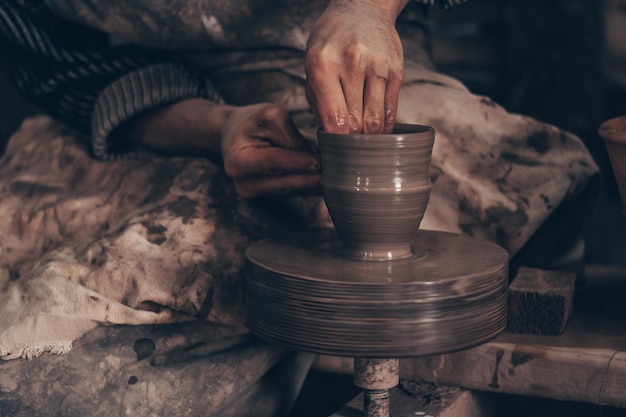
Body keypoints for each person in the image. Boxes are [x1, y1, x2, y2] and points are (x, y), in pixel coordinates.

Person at [0, 1, 599, 416]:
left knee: (528, 179)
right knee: (38, 372)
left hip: (366, 82)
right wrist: (216, 127)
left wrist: (368, 6)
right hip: (150, 118)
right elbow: (61, 65)